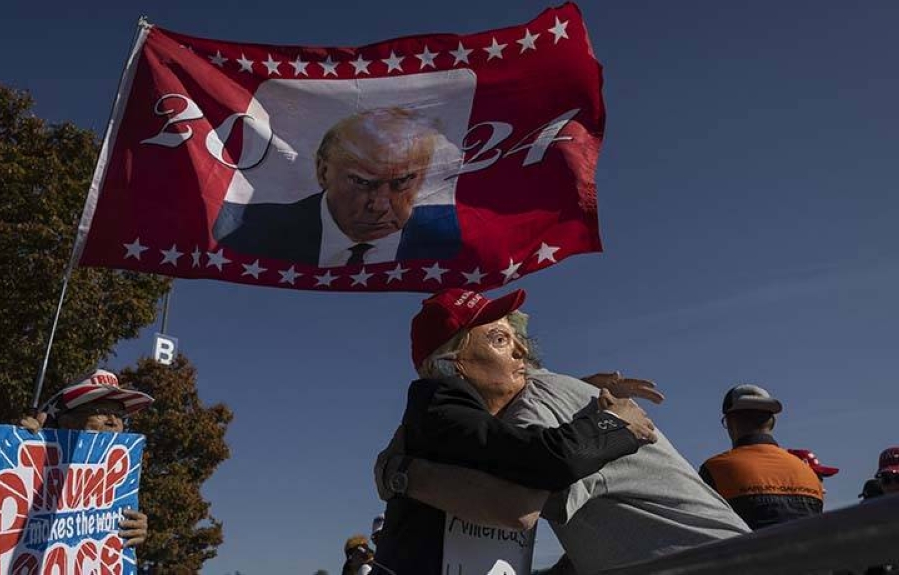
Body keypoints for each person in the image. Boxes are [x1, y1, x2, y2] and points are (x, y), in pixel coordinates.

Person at [375, 301, 750, 574]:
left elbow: (516, 505)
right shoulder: (538, 400)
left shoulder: (536, 400)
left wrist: (400, 474)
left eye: (515, 336)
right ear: (454, 362)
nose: (523, 349)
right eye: (500, 339)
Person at [214, 107, 461, 266]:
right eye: (362, 182)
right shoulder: (246, 232)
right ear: (323, 171)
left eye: (402, 182)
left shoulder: (450, 242)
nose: (379, 205)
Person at [20, 368, 155, 548]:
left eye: (120, 415)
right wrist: (14, 448)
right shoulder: (29, 464)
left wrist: (136, 530)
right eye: (101, 411)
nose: (113, 421)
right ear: (67, 421)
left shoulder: (121, 483)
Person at [699, 384, 823, 530]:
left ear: (730, 422)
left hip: (747, 552)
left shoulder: (715, 469)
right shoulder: (808, 473)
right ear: (773, 423)